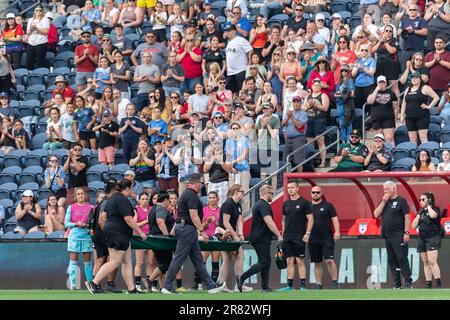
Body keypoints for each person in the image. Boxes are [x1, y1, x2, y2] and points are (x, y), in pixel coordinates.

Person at [160, 173, 227, 294]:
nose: (202, 186)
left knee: (198, 259)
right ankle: (167, 285)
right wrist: (202, 231)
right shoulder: (191, 195)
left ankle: (211, 286)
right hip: (188, 229)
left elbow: (181, 216)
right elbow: (193, 215)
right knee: (179, 258)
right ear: (195, 183)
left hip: (185, 228)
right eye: (201, 183)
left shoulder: (185, 193)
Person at [86, 179, 147, 294]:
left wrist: (109, 230)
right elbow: (128, 219)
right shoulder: (123, 200)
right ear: (128, 188)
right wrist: (140, 232)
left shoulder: (111, 199)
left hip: (116, 232)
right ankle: (94, 283)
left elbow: (103, 217)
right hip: (118, 233)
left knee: (127, 261)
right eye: (131, 188)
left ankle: (132, 289)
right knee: (115, 261)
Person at [237, 185, 282, 293]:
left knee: (266, 262)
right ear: (267, 193)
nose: (273, 195)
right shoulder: (263, 205)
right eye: (272, 193)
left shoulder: (259, 204)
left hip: (261, 238)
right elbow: (269, 221)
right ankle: (242, 277)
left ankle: (265, 287)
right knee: (264, 262)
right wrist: (279, 235)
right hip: (260, 238)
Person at [374, 181, 413, 289]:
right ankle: (397, 283)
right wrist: (383, 201)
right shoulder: (384, 202)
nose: (385, 191)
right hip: (387, 235)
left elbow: (407, 217)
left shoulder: (401, 201)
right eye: (384, 189)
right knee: (392, 259)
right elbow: (376, 214)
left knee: (401, 258)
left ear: (394, 188)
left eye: (387, 189)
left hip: (399, 235)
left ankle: (408, 281)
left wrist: (406, 232)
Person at [278, 180, 313, 291]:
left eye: (292, 187)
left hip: (299, 236)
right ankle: (289, 286)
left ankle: (302, 286)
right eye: (288, 188)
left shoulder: (305, 203)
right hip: (287, 237)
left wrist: (307, 233)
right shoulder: (286, 204)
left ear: (298, 188)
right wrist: (283, 233)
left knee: (300, 260)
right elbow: (283, 220)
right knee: (289, 260)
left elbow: (311, 219)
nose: (290, 190)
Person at [89, 178, 122, 293]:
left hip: (100, 234)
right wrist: (109, 234)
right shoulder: (107, 201)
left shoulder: (106, 201)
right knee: (103, 259)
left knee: (106, 259)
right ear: (113, 190)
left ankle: (107, 284)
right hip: (102, 234)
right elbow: (101, 221)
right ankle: (95, 284)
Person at [308, 185, 341, 290]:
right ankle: (318, 284)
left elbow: (335, 219)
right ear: (311, 194)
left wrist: (337, 232)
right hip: (313, 238)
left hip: (326, 237)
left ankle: (335, 283)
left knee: (329, 260)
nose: (315, 194)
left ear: (321, 193)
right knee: (317, 262)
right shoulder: (308, 207)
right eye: (313, 192)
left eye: (317, 192)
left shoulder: (328, 206)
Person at [191, 191, 221, 290]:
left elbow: (221, 227)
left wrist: (215, 221)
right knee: (201, 262)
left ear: (217, 199)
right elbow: (200, 226)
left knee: (215, 262)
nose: (212, 199)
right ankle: (197, 284)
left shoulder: (220, 210)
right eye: (210, 197)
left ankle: (213, 285)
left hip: (216, 239)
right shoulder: (203, 210)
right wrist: (207, 222)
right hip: (206, 239)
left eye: (213, 197)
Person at [412, 192, 443, 289]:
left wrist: (428, 206)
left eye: (423, 199)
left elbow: (434, 216)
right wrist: (418, 214)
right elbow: (413, 226)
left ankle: (438, 283)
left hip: (432, 237)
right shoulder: (421, 212)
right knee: (425, 261)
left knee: (432, 260)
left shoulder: (435, 209)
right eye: (420, 199)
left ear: (429, 200)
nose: (421, 201)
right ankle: (428, 284)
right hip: (422, 238)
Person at [65, 188, 94, 290]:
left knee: (88, 261)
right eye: (78, 194)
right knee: (73, 261)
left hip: (86, 237)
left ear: (85, 195)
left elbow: (92, 222)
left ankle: (91, 284)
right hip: (74, 237)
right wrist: (76, 224)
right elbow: (66, 223)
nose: (80, 195)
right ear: (75, 196)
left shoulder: (91, 207)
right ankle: (73, 286)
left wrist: (86, 225)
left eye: (82, 193)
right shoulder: (71, 207)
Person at [400, 72, 440, 145]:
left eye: (416, 77)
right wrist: (402, 115)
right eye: (412, 77)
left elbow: (436, 97)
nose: (414, 79)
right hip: (409, 117)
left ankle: (426, 155)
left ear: (420, 79)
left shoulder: (424, 87)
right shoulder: (408, 89)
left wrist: (429, 106)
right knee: (412, 140)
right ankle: (414, 156)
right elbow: (404, 103)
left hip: (422, 117)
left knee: (423, 139)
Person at [146, 192, 175, 291]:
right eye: (169, 201)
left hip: (155, 239)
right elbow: (160, 222)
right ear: (166, 200)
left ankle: (163, 288)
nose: (169, 203)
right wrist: (167, 236)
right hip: (161, 239)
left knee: (162, 264)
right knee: (167, 263)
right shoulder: (161, 208)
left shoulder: (153, 209)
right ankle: (150, 280)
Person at [303, 79, 330, 168]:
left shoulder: (323, 95)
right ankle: (311, 162)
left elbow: (325, 108)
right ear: (311, 86)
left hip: (319, 120)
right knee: (309, 142)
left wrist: (315, 105)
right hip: (309, 120)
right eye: (315, 85)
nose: (316, 86)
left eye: (318, 85)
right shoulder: (308, 96)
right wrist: (308, 106)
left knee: (320, 142)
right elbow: (303, 108)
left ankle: (323, 161)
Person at [366, 75, 398, 144]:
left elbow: (395, 108)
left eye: (383, 82)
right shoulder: (373, 91)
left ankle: (390, 153)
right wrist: (376, 90)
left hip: (388, 118)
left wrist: (394, 119)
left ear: (386, 83)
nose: (381, 84)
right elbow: (369, 102)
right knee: (378, 139)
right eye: (380, 82)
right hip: (376, 118)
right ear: (377, 83)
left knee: (389, 138)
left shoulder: (391, 93)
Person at [133, 192, 154, 292]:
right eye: (143, 199)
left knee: (151, 263)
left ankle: (150, 286)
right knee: (140, 262)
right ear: (139, 200)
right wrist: (146, 221)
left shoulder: (152, 209)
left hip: (151, 238)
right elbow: (135, 224)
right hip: (139, 238)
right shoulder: (136, 209)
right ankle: (137, 286)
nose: (145, 201)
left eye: (146, 199)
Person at [224, 24, 253, 94]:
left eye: (229, 31)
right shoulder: (229, 42)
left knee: (241, 91)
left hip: (241, 70)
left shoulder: (240, 39)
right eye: (226, 31)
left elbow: (250, 50)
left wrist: (249, 62)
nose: (227, 33)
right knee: (230, 93)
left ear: (234, 31)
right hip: (230, 72)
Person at [281, 96, 307, 172]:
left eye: (298, 102)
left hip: (298, 138)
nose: (296, 103)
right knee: (286, 158)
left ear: (301, 103)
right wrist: (287, 117)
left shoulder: (303, 113)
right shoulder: (290, 112)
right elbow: (281, 125)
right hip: (288, 138)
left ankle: (300, 177)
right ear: (292, 103)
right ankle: (286, 178)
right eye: (294, 102)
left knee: (299, 159)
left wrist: (291, 116)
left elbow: (299, 125)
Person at [25, 5, 49, 69]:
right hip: (31, 42)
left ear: (42, 11)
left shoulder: (45, 19)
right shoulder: (30, 20)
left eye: (40, 10)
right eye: (37, 10)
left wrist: (36, 28)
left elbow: (46, 32)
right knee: (29, 61)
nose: (38, 11)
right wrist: (31, 28)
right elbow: (28, 33)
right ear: (34, 11)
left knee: (40, 61)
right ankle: (30, 74)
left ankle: (41, 74)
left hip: (41, 42)